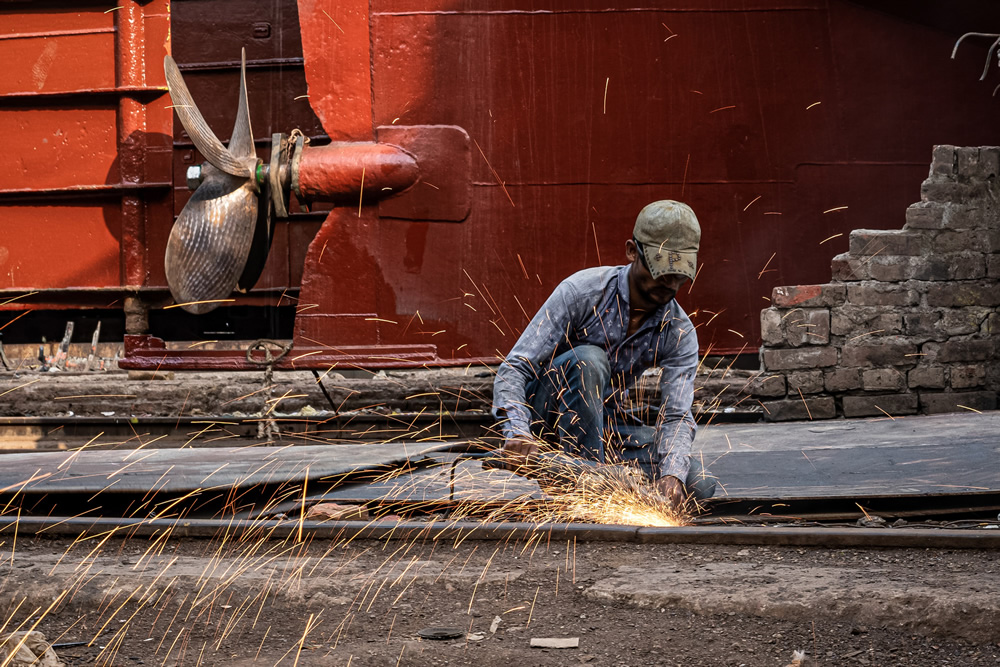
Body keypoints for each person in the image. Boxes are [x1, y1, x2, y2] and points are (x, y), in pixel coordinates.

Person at [492, 200, 715, 507]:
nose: (670, 284)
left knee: (697, 486)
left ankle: (594, 479)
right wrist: (518, 432)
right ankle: (587, 489)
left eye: (678, 276)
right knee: (587, 360)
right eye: (661, 271)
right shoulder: (582, 292)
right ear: (632, 251)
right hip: (546, 424)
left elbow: (676, 416)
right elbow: (515, 367)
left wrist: (671, 476)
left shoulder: (678, 330)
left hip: (605, 426)